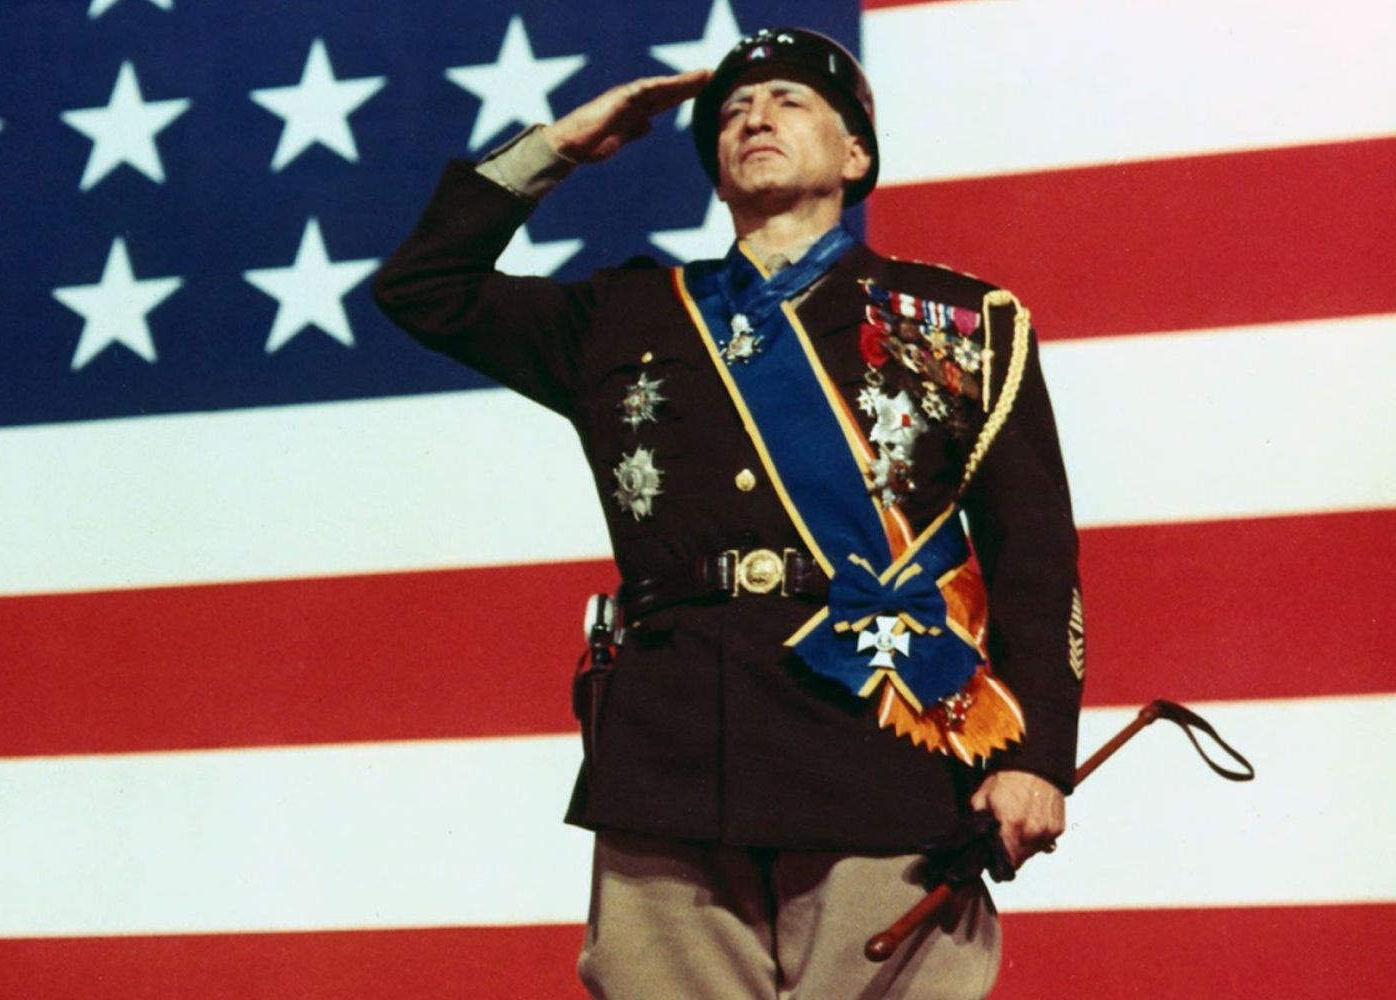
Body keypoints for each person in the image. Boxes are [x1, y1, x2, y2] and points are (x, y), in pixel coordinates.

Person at [372, 28, 1086, 999]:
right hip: (673, 757)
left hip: (883, 741)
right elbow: (423, 289)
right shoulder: (625, 315)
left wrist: (1036, 755)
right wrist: (557, 147)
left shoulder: (961, 323)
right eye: (733, 113)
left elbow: (1032, 559)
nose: (754, 116)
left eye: (789, 101)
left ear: (854, 155)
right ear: (713, 170)